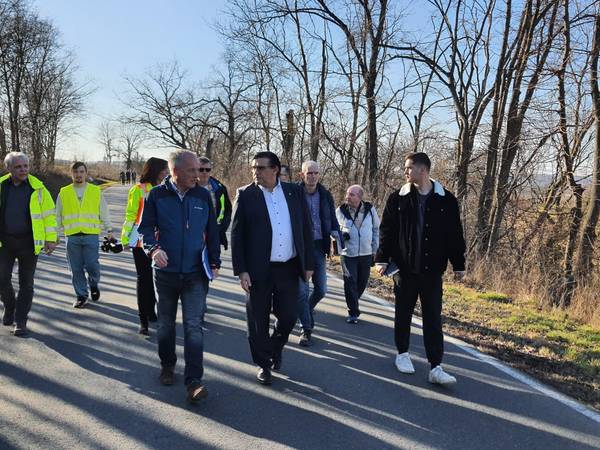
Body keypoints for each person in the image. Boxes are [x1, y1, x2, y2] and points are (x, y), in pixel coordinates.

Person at [375, 152, 466, 385]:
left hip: (432, 271)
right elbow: (387, 230)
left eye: (408, 168)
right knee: (403, 313)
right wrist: (382, 258)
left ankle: (436, 366)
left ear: (423, 170)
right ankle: (403, 354)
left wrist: (459, 264)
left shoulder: (446, 200)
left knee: (433, 318)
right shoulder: (398, 198)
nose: (405, 172)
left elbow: (455, 234)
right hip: (404, 269)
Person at [138, 150, 221, 404]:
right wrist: (154, 250)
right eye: (192, 171)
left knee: (194, 327)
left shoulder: (203, 195)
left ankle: (194, 381)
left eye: (199, 170)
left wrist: (215, 261)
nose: (198, 175)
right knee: (165, 323)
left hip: (196, 273)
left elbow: (212, 231)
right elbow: (144, 230)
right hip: (165, 274)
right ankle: (167, 365)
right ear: (175, 172)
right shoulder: (156, 195)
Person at [231, 151, 314, 386]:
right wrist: (242, 270)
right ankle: (263, 364)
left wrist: (308, 264)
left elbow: (305, 229)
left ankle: (274, 348)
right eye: (253, 168)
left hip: (288, 267)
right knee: (257, 320)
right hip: (258, 270)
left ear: (275, 169)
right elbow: (237, 235)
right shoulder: (246, 195)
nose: (255, 172)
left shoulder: (294, 192)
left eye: (260, 167)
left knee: (289, 316)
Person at [0, 152, 57, 336]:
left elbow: (49, 216)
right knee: (1, 279)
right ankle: (10, 306)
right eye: (18, 167)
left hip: (29, 244)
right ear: (8, 168)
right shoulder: (1, 186)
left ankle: (20, 321)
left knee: (27, 284)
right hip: (4, 243)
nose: (23, 170)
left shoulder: (39, 189)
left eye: (25, 166)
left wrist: (50, 239)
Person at [121, 157, 169, 335]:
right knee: (144, 278)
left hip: (161, 241)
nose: (167, 172)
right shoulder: (138, 190)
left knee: (156, 279)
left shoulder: (166, 189)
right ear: (156, 170)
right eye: (164, 169)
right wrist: (125, 239)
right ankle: (143, 319)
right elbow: (131, 214)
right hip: (140, 240)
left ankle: (152, 312)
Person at [56, 162, 113, 308]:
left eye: (81, 172)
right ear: (71, 174)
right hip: (72, 236)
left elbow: (103, 211)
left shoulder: (95, 191)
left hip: (91, 234)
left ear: (86, 173)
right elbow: (57, 215)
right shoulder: (64, 192)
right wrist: (54, 235)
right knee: (75, 268)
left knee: (92, 265)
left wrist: (109, 229)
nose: (78, 175)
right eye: (75, 172)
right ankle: (81, 295)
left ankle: (93, 284)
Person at [296, 160, 341, 346]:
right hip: (300, 247)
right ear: (302, 175)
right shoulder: (294, 194)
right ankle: (306, 328)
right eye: (309, 173)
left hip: (318, 247)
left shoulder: (325, 194)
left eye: (315, 173)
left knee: (321, 289)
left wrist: (337, 234)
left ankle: (304, 309)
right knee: (302, 290)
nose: (312, 177)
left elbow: (331, 217)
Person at [336, 185, 380, 324]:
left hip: (366, 253)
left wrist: (375, 249)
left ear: (359, 197)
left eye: (351, 194)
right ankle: (353, 312)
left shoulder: (370, 210)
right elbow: (334, 228)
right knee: (350, 282)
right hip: (348, 253)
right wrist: (340, 236)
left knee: (362, 282)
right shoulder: (340, 210)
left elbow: (376, 229)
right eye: (347, 194)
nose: (347, 197)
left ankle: (354, 299)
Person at [197, 157, 232, 249]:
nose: (204, 172)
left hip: (214, 234)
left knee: (213, 262)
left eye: (207, 170)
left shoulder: (220, 188)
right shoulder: (188, 187)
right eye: (201, 169)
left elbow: (227, 211)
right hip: (193, 234)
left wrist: (220, 229)